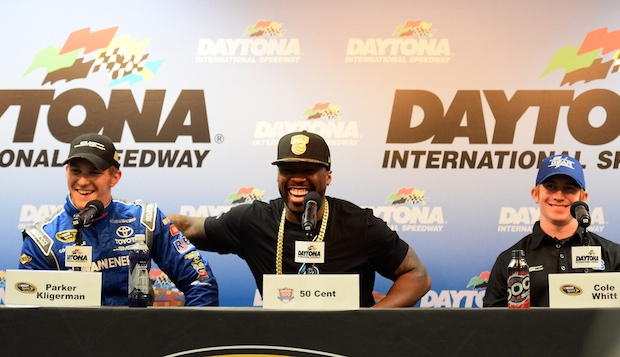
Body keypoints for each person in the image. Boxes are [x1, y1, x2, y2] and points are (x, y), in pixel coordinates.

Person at [169, 130, 431, 308]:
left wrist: (373, 321)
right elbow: (186, 227)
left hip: (350, 345)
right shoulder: (252, 221)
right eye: (288, 170)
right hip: (284, 345)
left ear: (328, 177)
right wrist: (147, 220)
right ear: (278, 176)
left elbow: (417, 275)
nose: (297, 178)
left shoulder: (360, 225)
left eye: (308, 170)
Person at [19, 133, 219, 306]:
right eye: (75, 171)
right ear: (66, 172)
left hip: (138, 334)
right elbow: (27, 310)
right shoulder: (42, 238)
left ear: (114, 177)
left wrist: (188, 333)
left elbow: (201, 280)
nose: (82, 181)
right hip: (73, 337)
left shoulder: (145, 220)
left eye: (94, 172)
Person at [484, 154, 620, 307]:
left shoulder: (614, 256)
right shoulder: (510, 261)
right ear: (535, 194)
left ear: (583, 198)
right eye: (551, 186)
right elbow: (492, 319)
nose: (559, 196)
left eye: (568, 188)